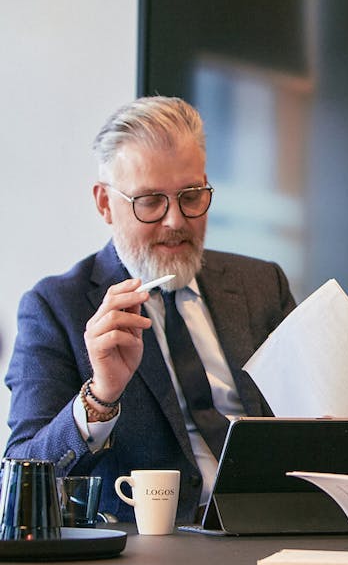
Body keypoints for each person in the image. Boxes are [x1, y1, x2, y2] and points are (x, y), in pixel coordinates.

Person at [4, 96, 296, 523]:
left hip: (270, 530)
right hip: (148, 555)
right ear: (105, 203)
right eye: (150, 202)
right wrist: (100, 397)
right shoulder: (55, 307)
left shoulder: (261, 285)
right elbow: (20, 481)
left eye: (191, 196)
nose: (176, 221)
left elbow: (308, 422)